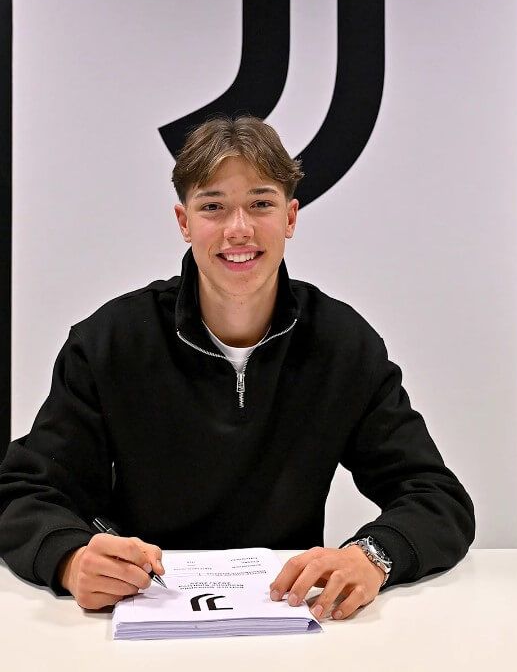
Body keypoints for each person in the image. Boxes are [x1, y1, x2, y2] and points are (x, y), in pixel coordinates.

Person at [0, 116, 475, 620]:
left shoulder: (342, 344)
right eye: (213, 207)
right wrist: (71, 560)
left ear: (290, 217)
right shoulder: (109, 341)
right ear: (184, 221)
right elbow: (23, 491)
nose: (239, 229)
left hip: (289, 617)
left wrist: (373, 557)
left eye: (261, 204)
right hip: (139, 614)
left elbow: (435, 496)